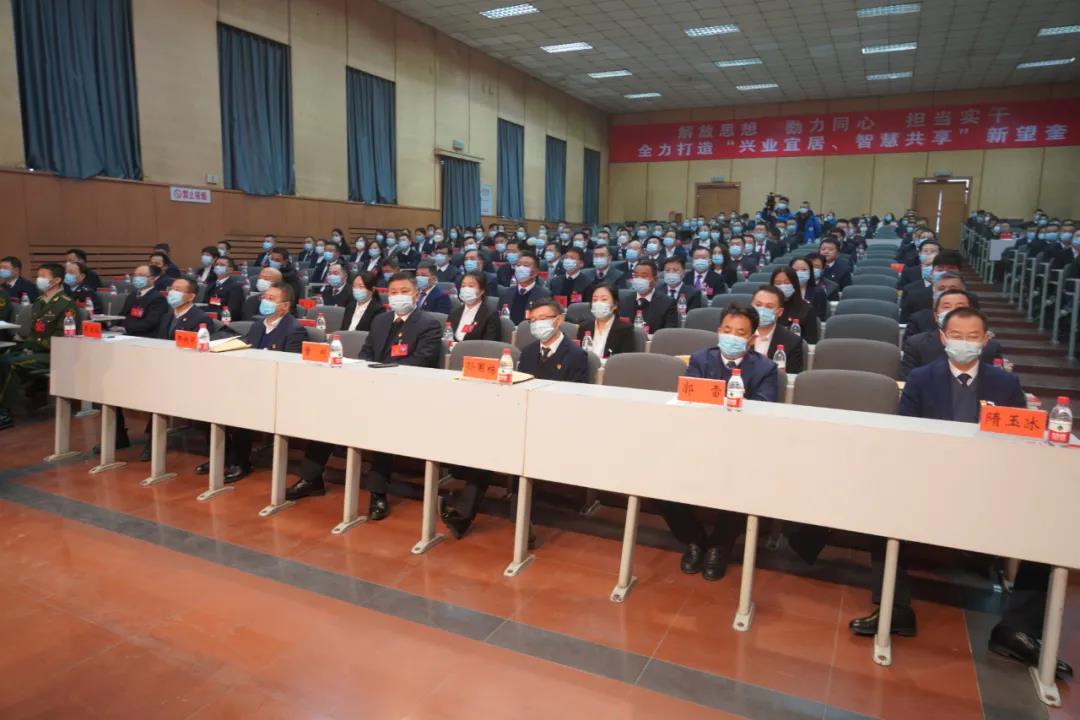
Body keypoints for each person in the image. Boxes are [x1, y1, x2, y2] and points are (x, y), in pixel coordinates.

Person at [848, 309, 1057, 666]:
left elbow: (1020, 443)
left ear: (985, 340)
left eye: (973, 336)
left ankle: (1015, 629)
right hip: (930, 481)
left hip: (989, 486)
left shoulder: (1006, 384)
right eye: (957, 335)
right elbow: (906, 433)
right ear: (943, 338)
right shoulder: (921, 378)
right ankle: (895, 609)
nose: (964, 342)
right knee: (882, 512)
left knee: (1045, 531)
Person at [659, 304, 778, 580]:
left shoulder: (766, 368)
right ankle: (694, 539)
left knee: (745, 480)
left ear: (752, 339)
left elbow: (764, 409)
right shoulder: (701, 359)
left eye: (740, 333)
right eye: (727, 330)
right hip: (698, 440)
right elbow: (687, 399)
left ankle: (720, 546)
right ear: (718, 331)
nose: (732, 336)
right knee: (657, 478)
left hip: (742, 447)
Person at [194, 282, 305, 484]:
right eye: (265, 297)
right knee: (205, 405)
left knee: (240, 408)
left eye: (272, 299)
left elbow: (290, 365)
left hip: (273, 386)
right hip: (248, 381)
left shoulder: (294, 330)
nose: (265, 301)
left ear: (285, 306)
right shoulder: (257, 325)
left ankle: (241, 462)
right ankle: (222, 456)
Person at [0, 263, 78, 430]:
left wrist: (35, 345)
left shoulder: (66, 305)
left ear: (56, 280)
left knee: (11, 365)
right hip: (35, 348)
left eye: (43, 276)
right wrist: (27, 345)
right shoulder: (39, 301)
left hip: (54, 353)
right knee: (3, 358)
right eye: (39, 276)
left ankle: (4, 413)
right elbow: (35, 332)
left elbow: (65, 338)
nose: (39, 279)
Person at [901, 291, 1002, 379]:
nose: (953, 311)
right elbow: (909, 381)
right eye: (946, 307)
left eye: (960, 307)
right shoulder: (916, 344)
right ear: (936, 316)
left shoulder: (991, 347)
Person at [518, 298, 589, 382]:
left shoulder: (576, 355)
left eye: (542, 318)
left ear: (559, 320)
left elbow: (577, 388)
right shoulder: (527, 352)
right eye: (533, 320)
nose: (537, 324)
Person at [750, 286, 804, 374]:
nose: (762, 310)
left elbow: (791, 377)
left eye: (769, 306)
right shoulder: (738, 333)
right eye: (758, 305)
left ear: (780, 312)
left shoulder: (792, 341)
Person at [618, 260, 678, 333]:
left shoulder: (668, 303)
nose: (639, 280)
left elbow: (669, 333)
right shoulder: (624, 301)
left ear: (655, 280)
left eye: (644, 276)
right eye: (636, 276)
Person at [576, 285, 635, 359]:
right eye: (595, 300)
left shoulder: (625, 329)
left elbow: (626, 360)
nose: (598, 303)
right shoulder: (584, 327)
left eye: (604, 299)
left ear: (615, 305)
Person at [900, 252, 962, 322]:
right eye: (940, 270)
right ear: (932, 272)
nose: (945, 273)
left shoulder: (970, 300)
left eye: (951, 270)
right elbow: (904, 324)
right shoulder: (914, 297)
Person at [903, 271, 967, 339]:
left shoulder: (974, 319)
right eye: (941, 289)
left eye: (953, 289)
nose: (946, 292)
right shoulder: (918, 320)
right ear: (934, 293)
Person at [769, 266, 820, 344]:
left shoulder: (807, 309)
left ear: (795, 284)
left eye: (787, 283)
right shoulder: (767, 307)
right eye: (778, 283)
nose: (782, 286)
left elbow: (811, 341)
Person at [497, 254, 550, 324]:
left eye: (526, 265)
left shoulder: (545, 295)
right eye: (518, 265)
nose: (520, 268)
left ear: (535, 272)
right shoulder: (506, 293)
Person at [448, 270, 499, 342]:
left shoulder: (490, 315)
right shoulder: (455, 312)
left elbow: (489, 344)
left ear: (482, 291)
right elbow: (447, 336)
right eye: (463, 286)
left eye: (471, 286)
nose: (466, 289)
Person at [789, 256, 828, 321]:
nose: (799, 273)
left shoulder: (819, 292)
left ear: (810, 272)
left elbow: (820, 318)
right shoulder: (784, 291)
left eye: (804, 270)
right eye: (795, 270)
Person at [206, 256, 245, 320]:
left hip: (224, 320)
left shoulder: (235, 287)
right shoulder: (211, 284)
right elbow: (205, 304)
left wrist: (213, 315)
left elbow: (232, 311)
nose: (218, 267)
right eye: (216, 264)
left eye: (222, 265)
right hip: (208, 317)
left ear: (231, 270)